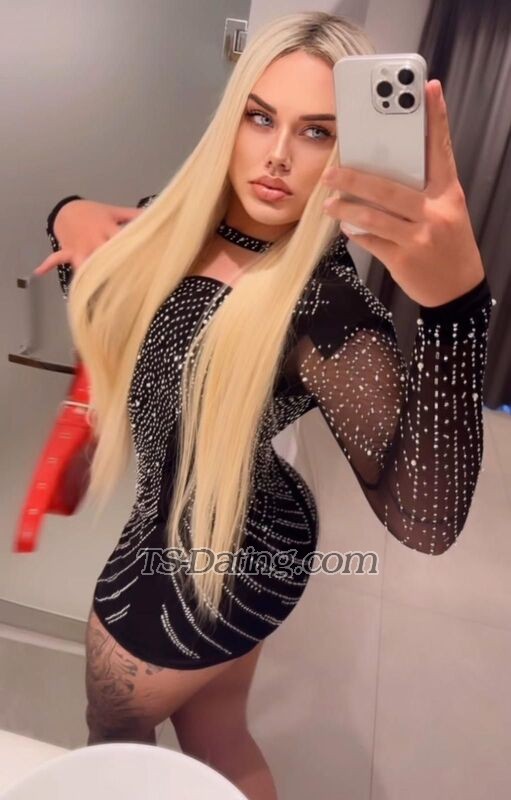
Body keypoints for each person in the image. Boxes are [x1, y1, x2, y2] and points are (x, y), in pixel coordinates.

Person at [33, 11, 495, 800]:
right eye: (259, 117)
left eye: (317, 133)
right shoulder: (172, 221)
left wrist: (456, 310)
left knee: (114, 732)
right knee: (216, 730)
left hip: (210, 558)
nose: (278, 155)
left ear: (352, 151)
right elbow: (100, 261)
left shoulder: (325, 308)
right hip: (229, 533)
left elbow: (427, 519)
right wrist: (68, 210)